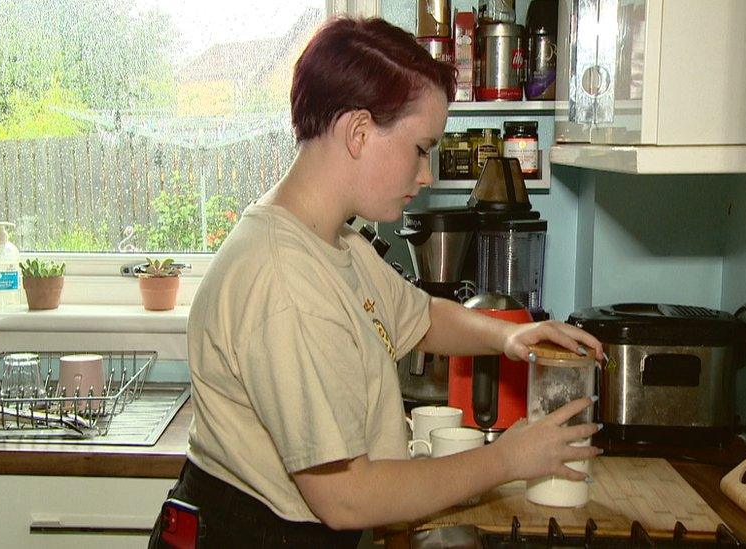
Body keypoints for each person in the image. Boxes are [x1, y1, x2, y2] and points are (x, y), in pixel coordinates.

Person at [149, 16, 604, 549]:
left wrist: (507, 336)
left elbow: (422, 315)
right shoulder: (283, 280)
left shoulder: (333, 242)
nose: (426, 174)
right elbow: (348, 498)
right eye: (419, 148)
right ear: (359, 132)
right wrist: (509, 459)